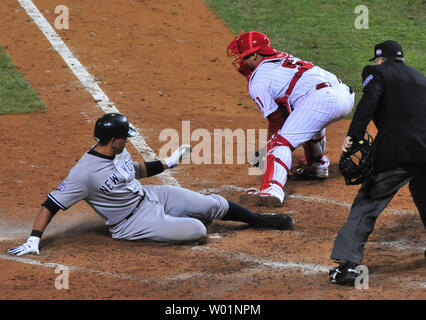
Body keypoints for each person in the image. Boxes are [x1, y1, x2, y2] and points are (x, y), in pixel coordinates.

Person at [7, 113, 294, 256]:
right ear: (115, 140)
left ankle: (259, 220)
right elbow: (50, 204)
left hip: (150, 196)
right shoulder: (83, 174)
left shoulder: (118, 152)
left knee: (212, 203)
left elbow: (136, 170)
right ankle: (177, 220)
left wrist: (168, 163)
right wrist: (34, 238)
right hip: (131, 223)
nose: (128, 141)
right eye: (126, 138)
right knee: (197, 229)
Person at [329, 40, 426, 286]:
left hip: (397, 151)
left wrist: (354, 134)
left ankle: (349, 267)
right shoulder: (420, 78)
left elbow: (369, 101)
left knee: (367, 204)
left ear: (380, 60)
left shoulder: (377, 72)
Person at [227, 30, 354, 207]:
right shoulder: (280, 56)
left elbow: (277, 121)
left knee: (279, 143)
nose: (242, 61)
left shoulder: (258, 81)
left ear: (255, 55)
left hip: (322, 99)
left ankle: (271, 191)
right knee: (305, 120)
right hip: (344, 94)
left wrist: (270, 148)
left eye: (244, 56)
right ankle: (316, 165)